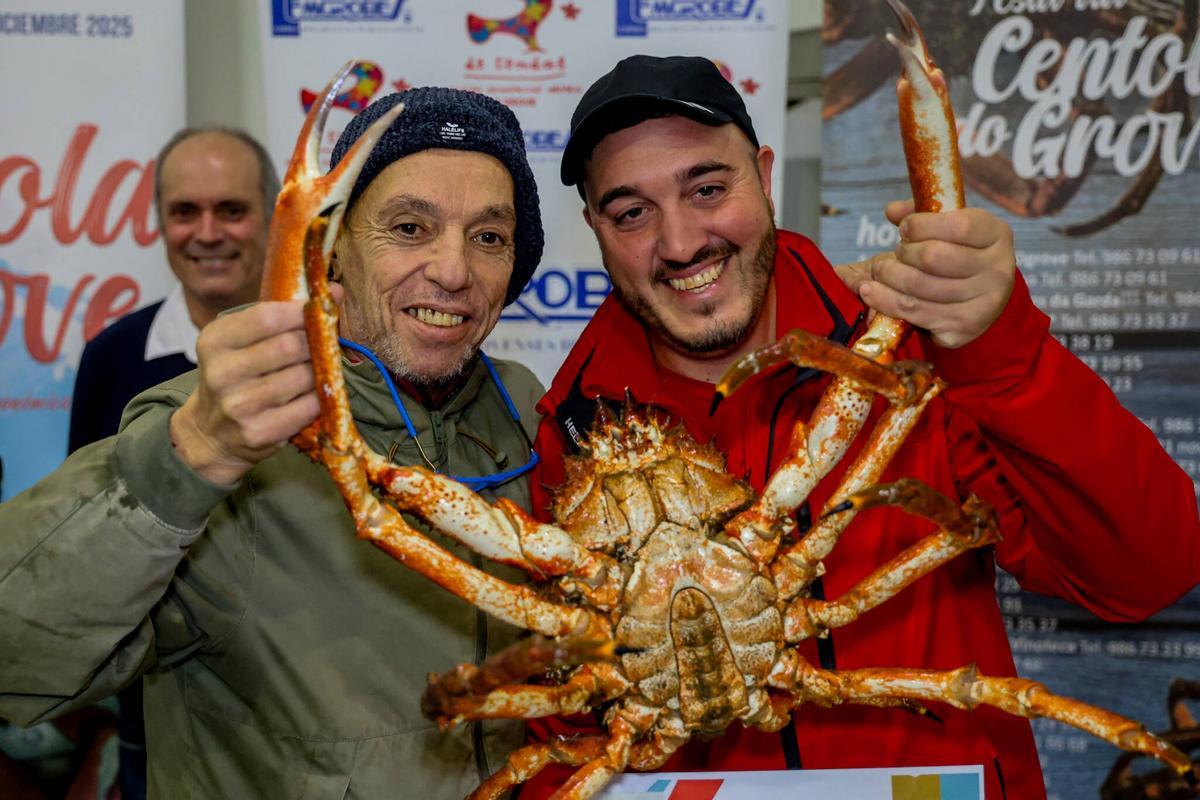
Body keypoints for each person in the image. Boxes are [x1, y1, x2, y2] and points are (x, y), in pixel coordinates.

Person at [524, 55, 1200, 800]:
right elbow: (564, 728)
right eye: (631, 213)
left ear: (764, 176)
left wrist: (1004, 354)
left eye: (707, 189)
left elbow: (1147, 571)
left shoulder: (904, 363)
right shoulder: (574, 437)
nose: (681, 242)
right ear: (595, 229)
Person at [0, 87, 546, 799]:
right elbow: (18, 661)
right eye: (409, 227)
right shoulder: (223, 427)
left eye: (489, 237)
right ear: (334, 250)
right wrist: (190, 455)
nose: (453, 269)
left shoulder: (524, 408)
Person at [60, 125, 277, 800]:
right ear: (160, 220)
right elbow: (86, 540)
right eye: (186, 211)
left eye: (231, 210)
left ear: (273, 215)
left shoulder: (334, 347)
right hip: (155, 724)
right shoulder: (111, 357)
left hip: (300, 725)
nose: (207, 233)